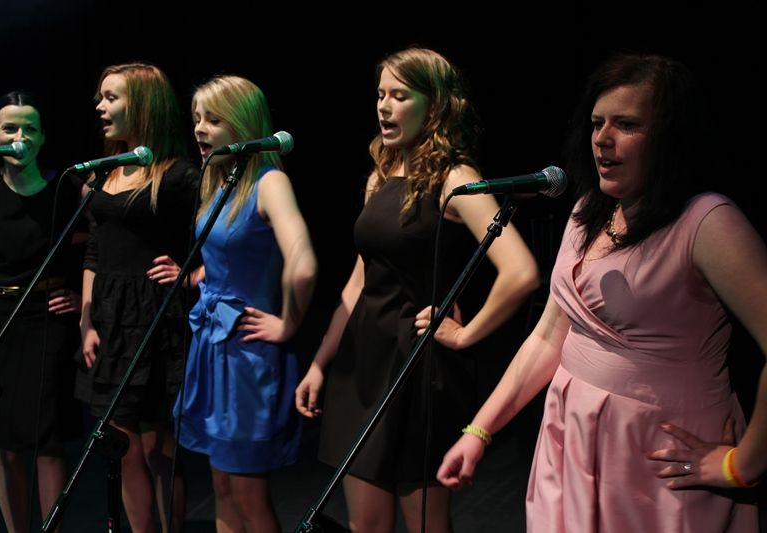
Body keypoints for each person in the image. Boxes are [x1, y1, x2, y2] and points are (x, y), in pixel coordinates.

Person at [437, 53, 767, 532]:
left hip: (659, 455)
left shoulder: (707, 223)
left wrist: (745, 464)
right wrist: (479, 430)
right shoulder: (588, 210)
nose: (602, 139)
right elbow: (548, 337)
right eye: (597, 123)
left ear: (670, 136)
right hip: (573, 435)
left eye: (626, 125)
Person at [295, 47, 539, 532]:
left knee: (426, 525)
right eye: (380, 95)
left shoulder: (456, 179)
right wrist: (320, 362)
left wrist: (465, 334)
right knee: (366, 525)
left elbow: (521, 271)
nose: (384, 106)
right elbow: (360, 279)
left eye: (400, 96)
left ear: (435, 105)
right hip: (363, 361)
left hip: (417, 365)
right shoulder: (381, 175)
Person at [168, 75, 316, 533]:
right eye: (197, 118)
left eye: (214, 119)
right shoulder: (220, 181)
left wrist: (288, 323)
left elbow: (303, 264)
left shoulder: (269, 182)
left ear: (243, 124)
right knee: (223, 488)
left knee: (249, 495)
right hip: (214, 347)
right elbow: (233, 249)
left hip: (248, 357)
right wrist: (200, 275)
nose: (200, 128)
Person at [74, 63, 198, 533]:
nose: (100, 107)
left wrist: (191, 275)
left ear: (142, 105)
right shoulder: (106, 171)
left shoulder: (179, 176)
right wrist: (86, 319)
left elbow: (227, 235)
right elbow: (94, 248)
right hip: (110, 318)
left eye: (111, 98)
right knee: (120, 445)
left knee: (157, 447)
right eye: (100, 97)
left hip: (155, 318)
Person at [0, 91, 83, 532]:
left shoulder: (67, 187)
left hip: (45, 319)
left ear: (43, 136)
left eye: (30, 128)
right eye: (11, 128)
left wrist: (80, 298)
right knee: (4, 441)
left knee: (47, 439)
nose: (21, 136)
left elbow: (101, 249)